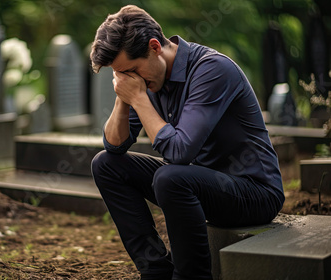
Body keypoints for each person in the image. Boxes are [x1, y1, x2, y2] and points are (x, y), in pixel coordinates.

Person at [90, 5, 285, 280]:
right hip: (202, 187)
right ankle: (156, 272)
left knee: (171, 177)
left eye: (131, 71)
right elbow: (115, 146)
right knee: (105, 165)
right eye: (122, 75)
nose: (131, 80)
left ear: (155, 47)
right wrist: (124, 97)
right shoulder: (147, 81)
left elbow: (179, 152)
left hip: (254, 192)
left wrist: (139, 99)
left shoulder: (212, 69)